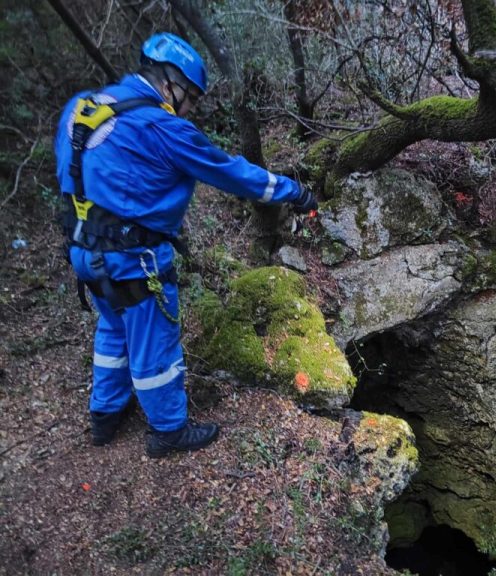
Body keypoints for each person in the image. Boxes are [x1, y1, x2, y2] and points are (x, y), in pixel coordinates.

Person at [54, 32, 317, 458]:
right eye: (191, 98)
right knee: (154, 340)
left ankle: (104, 417)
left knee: (112, 328)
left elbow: (73, 174)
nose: (191, 109)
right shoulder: (162, 127)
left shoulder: (81, 108)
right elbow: (231, 172)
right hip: (132, 258)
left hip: (84, 252)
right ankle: (169, 430)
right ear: (170, 83)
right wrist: (292, 192)